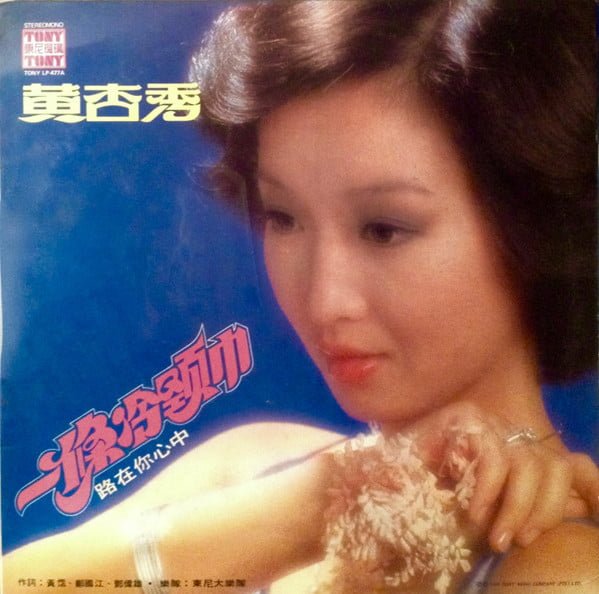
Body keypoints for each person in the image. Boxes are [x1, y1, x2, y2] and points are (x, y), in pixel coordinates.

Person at [3, 1, 599, 593]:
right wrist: (321, 505)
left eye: (384, 229)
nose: (323, 299)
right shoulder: (253, 467)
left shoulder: (560, 571)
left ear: (532, 228)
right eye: (283, 217)